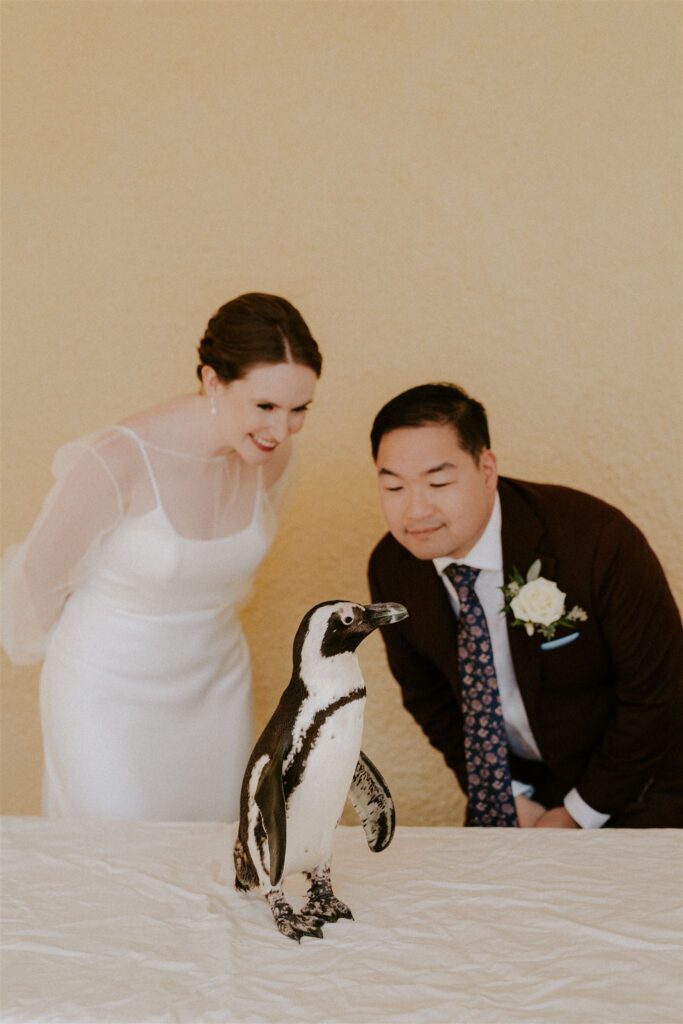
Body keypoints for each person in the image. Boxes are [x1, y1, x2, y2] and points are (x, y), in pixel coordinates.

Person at [2, 293, 322, 822]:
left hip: (215, 685)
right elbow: (38, 577)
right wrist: (100, 650)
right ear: (213, 381)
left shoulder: (273, 455)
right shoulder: (119, 460)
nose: (281, 429)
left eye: (299, 409)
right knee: (115, 851)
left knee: (209, 853)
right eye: (265, 406)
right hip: (104, 690)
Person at [368, 383, 683, 828]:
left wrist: (578, 813)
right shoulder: (393, 567)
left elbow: (658, 693)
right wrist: (503, 793)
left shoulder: (595, 541)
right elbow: (429, 698)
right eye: (394, 487)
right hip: (517, 797)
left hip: (640, 789)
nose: (415, 510)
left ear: (486, 468)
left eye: (438, 482)